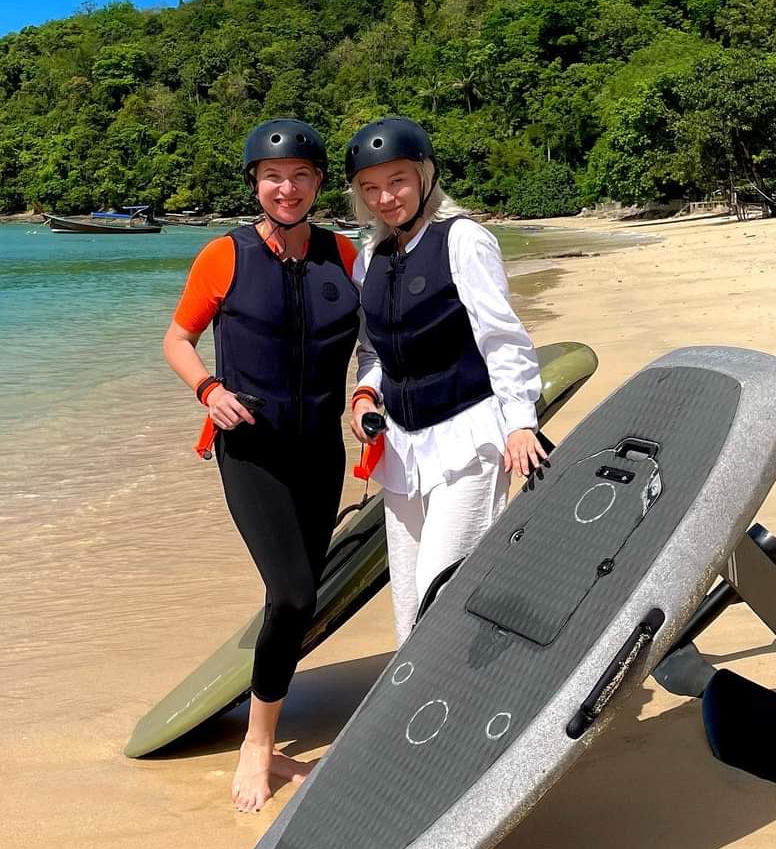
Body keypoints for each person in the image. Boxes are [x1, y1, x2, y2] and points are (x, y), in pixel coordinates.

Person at [162, 119, 360, 813]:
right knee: (295, 593)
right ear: (255, 183)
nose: (287, 188)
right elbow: (178, 338)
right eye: (274, 176)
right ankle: (258, 744)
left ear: (318, 183)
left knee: (296, 597)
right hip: (252, 450)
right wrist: (207, 390)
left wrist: (369, 398)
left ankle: (268, 712)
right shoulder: (225, 255)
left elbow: (379, 339)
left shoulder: (344, 254)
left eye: (301, 175)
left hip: (321, 452)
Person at [345, 117, 545, 644]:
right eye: (371, 188)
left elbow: (501, 337)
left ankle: (465, 682)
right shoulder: (369, 260)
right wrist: (363, 396)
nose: (385, 198)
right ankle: (413, 689)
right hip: (401, 449)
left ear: (424, 176)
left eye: (397, 181)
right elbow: (375, 351)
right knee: (409, 598)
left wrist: (521, 423)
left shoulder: (463, 240)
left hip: (467, 436)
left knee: (442, 584)